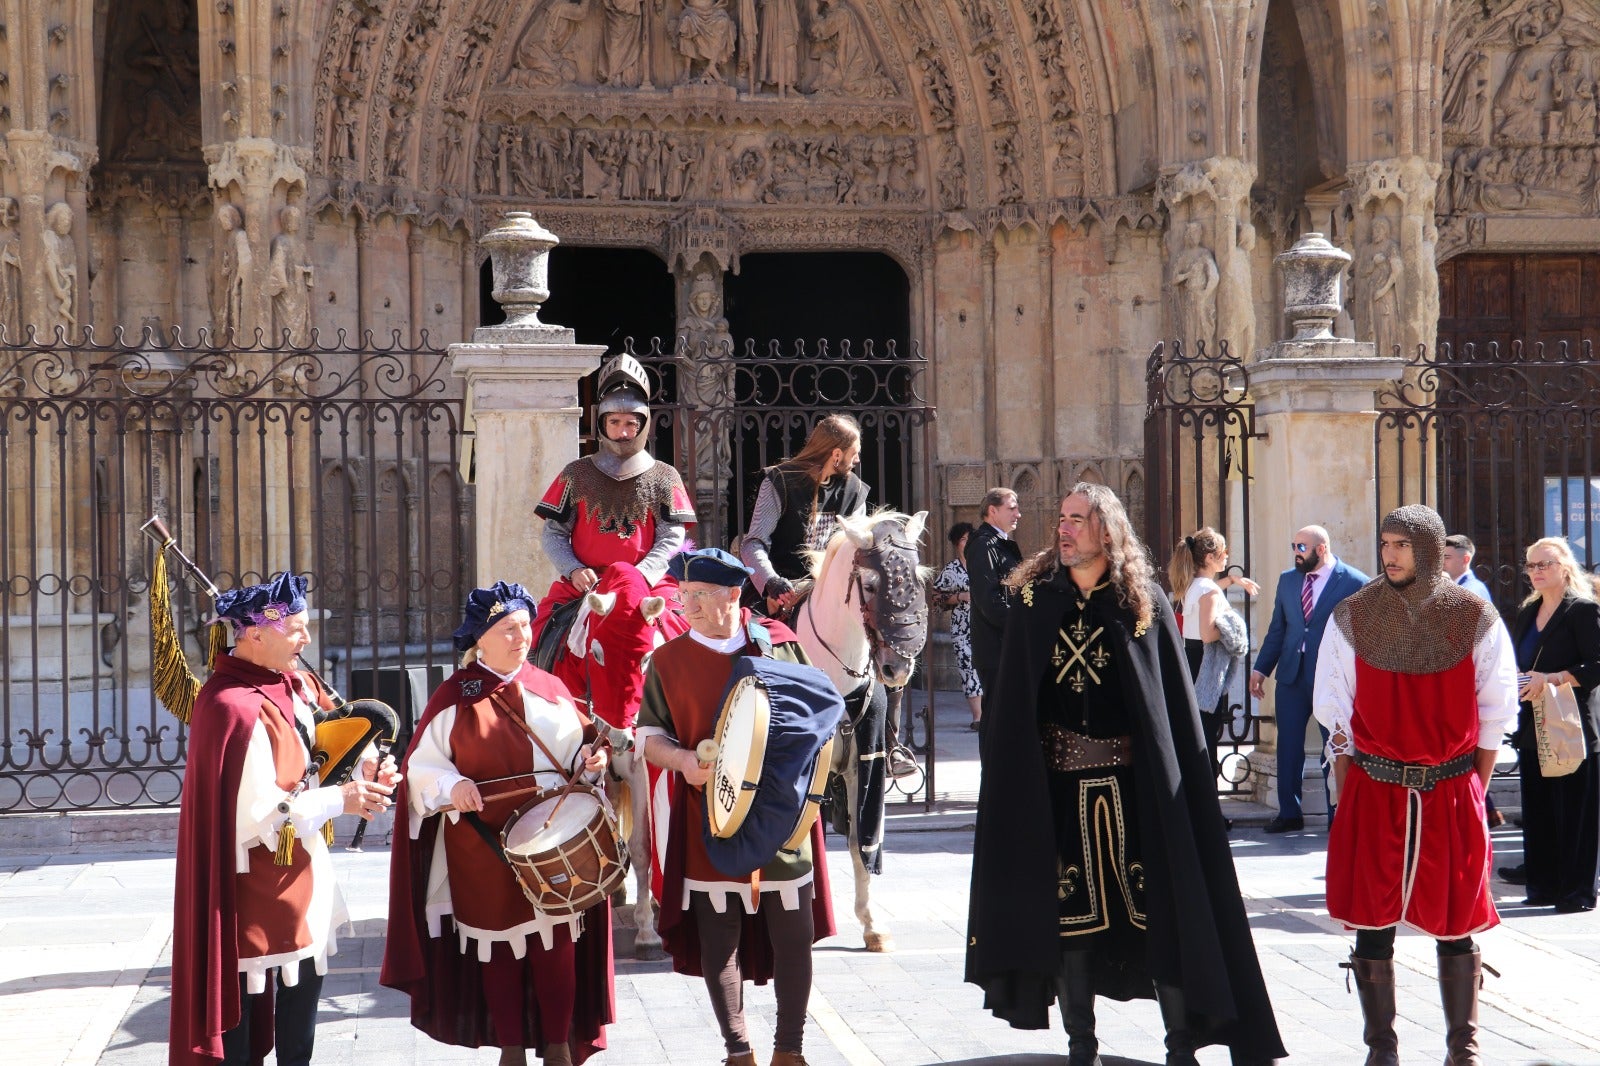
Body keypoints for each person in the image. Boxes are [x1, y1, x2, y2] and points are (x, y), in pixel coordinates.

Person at [966, 483, 1286, 1066]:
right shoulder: (1035, 602)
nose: (1063, 530)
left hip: (1135, 794)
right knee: (1073, 924)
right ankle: (1081, 1047)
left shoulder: (1141, 603)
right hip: (1061, 794)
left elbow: (1167, 713)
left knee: (1161, 915)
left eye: (1077, 521)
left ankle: (1180, 1047)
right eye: (1061, 519)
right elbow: (1014, 702)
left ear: (1106, 531)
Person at [1313, 505, 1517, 1064]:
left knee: (1455, 923)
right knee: (1373, 923)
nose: (1390, 554)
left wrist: (1472, 787)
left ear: (1428, 550)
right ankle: (1382, 1049)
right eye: (1385, 544)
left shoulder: (1473, 615)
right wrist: (1350, 781)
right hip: (1374, 788)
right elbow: (1335, 711)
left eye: (1402, 544)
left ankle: (1463, 1048)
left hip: (1450, 789)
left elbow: (1496, 710)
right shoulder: (1353, 616)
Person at [381, 582, 615, 1066]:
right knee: (500, 951)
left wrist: (591, 762)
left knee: (557, 945)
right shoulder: (455, 697)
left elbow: (580, 749)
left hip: (552, 841)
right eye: (508, 628)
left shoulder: (550, 687)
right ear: (480, 639)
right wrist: (451, 788)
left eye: (526, 625)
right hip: (480, 846)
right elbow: (421, 767)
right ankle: (511, 1049)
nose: (522, 636)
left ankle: (557, 1047)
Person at [170, 573, 399, 1066]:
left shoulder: (294, 689)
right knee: (243, 1035)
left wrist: (368, 767)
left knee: (300, 1028)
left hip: (304, 879)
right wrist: (343, 800)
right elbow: (259, 815)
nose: (307, 639)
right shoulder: (231, 707)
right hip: (252, 895)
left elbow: (324, 748)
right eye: (296, 627)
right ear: (255, 633)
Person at [636, 548, 835, 1066]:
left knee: (795, 935)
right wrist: (683, 761)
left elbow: (821, 716)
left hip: (781, 815)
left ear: (731, 596)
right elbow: (648, 737)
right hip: (711, 814)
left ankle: (789, 1050)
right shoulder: (668, 661)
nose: (689, 606)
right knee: (717, 937)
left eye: (700, 595)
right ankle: (738, 1051)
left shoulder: (780, 646)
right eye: (684, 596)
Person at [532, 353, 696, 648]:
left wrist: (643, 574)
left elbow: (672, 535)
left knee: (683, 637)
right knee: (541, 637)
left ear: (643, 425)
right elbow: (553, 533)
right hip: (586, 582)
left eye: (630, 424)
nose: (622, 432)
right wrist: (573, 569)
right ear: (601, 423)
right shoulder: (576, 473)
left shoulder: (664, 475)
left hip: (648, 582)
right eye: (614, 422)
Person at [1501, 537, 1600, 913]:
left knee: (1576, 811)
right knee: (1539, 809)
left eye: (1545, 564)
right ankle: (1542, 885)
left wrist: (1554, 678)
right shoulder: (1528, 611)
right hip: (1533, 723)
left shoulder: (1582, 610)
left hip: (1572, 724)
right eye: (1530, 566)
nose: (1536, 572)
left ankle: (1576, 892)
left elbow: (1596, 667)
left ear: (1564, 567)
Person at [1249, 524, 1368, 832]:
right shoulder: (1288, 581)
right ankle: (1289, 813)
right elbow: (1278, 629)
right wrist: (1261, 669)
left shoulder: (1354, 582)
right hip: (1291, 675)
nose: (1296, 553)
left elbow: (1365, 635)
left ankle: (1337, 815)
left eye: (1302, 547)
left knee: (1335, 746)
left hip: (1331, 679)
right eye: (1294, 546)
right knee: (1288, 746)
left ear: (1321, 549)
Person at [740, 412, 868, 618]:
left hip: (831, 592)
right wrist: (772, 582)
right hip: (778, 591)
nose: (858, 459)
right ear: (837, 454)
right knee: (754, 640)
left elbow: (855, 549)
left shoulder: (855, 491)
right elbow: (753, 543)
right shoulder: (780, 481)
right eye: (854, 453)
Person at [1168, 526, 1260, 780]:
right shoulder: (1207, 590)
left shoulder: (1195, 584)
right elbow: (1208, 633)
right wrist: (1234, 630)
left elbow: (1209, 593)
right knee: (1207, 735)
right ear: (1210, 557)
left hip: (1193, 659)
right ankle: (1210, 811)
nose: (1227, 557)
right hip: (1206, 662)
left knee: (1199, 732)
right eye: (1223, 552)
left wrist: (1232, 580)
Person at [1444, 534, 1506, 827]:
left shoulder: (1472, 591)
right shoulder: (1456, 588)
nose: (1440, 563)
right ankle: (1488, 810)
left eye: (1446, 558)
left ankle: (1484, 809)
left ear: (1464, 559)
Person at [964, 486, 1022, 730]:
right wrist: (1020, 624)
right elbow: (989, 600)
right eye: (1011, 508)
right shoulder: (984, 545)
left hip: (1005, 643)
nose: (1018, 514)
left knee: (1008, 713)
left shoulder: (997, 543)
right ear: (992, 511)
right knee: (997, 717)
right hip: (996, 645)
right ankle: (993, 767)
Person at [931, 521, 983, 731]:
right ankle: (979, 717)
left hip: (985, 625)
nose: (968, 542)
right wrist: (960, 596)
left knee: (987, 669)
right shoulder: (951, 570)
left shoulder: (983, 563)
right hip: (962, 629)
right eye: (963, 539)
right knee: (968, 669)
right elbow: (936, 596)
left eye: (971, 538)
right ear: (956, 544)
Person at [1443, 533, 1494, 602]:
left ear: (1465, 560)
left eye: (1447, 557)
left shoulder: (1470, 591)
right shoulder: (1465, 588)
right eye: (1440, 557)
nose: (1441, 562)